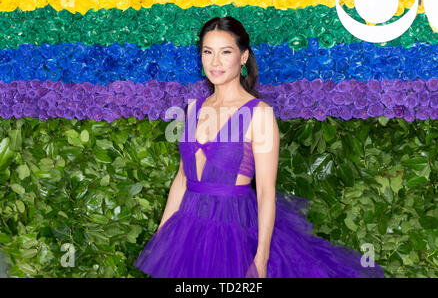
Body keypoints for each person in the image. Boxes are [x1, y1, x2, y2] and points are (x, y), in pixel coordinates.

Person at [133, 16, 385, 278]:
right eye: (208, 52)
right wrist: (162, 239)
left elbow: (265, 191)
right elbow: (183, 178)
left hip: (234, 230)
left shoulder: (259, 114)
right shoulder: (193, 109)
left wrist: (261, 259)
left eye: (225, 52)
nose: (215, 61)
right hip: (188, 226)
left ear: (243, 57)